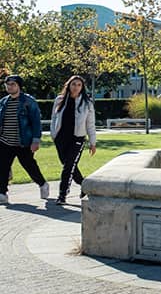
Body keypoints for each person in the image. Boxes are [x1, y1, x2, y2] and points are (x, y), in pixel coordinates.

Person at [0, 75, 50, 204]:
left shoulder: (28, 101)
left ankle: (42, 183)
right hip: (5, 141)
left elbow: (36, 122)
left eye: (12, 84)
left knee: (29, 166)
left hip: (23, 142)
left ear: (19, 86)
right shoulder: (3, 102)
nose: (9, 86)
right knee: (2, 167)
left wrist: (36, 140)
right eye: (7, 84)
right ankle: (2, 193)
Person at [49, 75, 97, 205]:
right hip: (60, 139)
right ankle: (84, 186)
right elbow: (54, 119)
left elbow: (90, 124)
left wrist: (93, 143)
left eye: (79, 85)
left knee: (68, 166)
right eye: (74, 84)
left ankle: (62, 195)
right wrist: (53, 134)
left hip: (77, 138)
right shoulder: (59, 100)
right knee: (69, 166)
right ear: (69, 85)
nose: (76, 87)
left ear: (82, 88)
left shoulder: (87, 103)